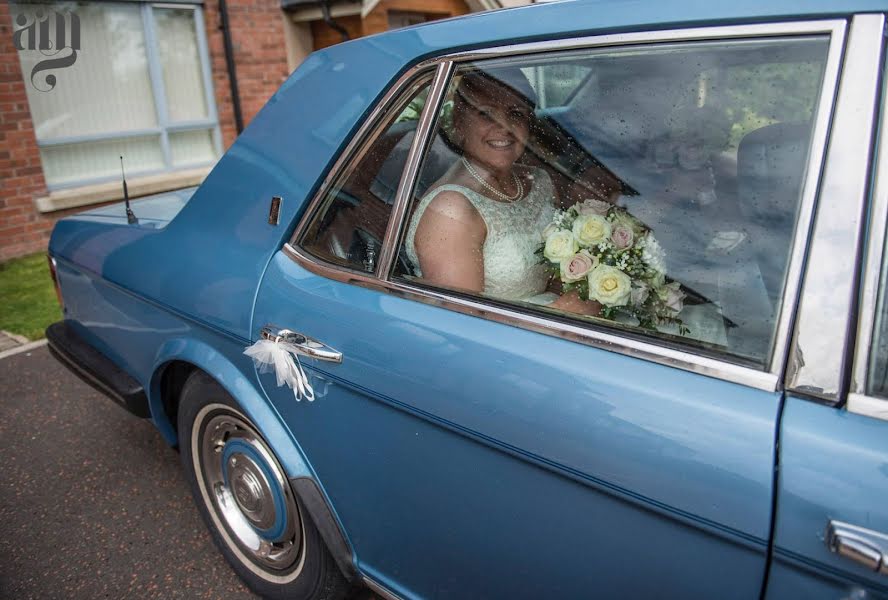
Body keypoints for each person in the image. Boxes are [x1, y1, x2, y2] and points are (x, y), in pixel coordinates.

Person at [404, 67, 598, 316]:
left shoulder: (539, 180)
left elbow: (553, 276)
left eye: (516, 114)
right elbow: (464, 326)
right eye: (486, 113)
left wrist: (595, 287)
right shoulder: (452, 210)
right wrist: (565, 311)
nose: (504, 126)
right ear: (458, 122)